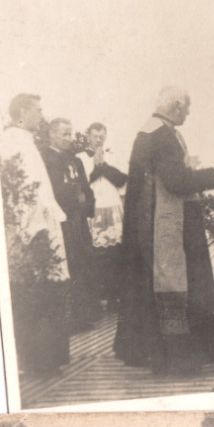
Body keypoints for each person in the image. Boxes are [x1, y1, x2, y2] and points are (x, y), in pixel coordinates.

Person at [114, 87, 214, 375]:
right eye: (187, 107)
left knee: (157, 285)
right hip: (165, 224)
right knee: (174, 282)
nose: (189, 112)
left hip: (151, 221)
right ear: (176, 105)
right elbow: (176, 181)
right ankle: (179, 359)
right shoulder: (162, 134)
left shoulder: (151, 130)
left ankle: (158, 355)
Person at [0, 93, 71, 374]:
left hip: (41, 225)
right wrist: (30, 230)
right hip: (33, 230)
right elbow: (22, 191)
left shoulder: (23, 141)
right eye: (37, 111)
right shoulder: (13, 142)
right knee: (38, 296)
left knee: (46, 294)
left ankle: (47, 359)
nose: (42, 116)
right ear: (22, 112)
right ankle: (40, 361)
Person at [40, 118, 101, 329]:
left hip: (79, 219)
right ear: (52, 134)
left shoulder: (75, 160)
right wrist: (75, 200)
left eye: (70, 134)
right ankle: (72, 319)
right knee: (70, 264)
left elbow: (86, 187)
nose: (68, 138)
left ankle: (85, 313)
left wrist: (86, 206)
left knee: (83, 263)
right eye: (64, 134)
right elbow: (55, 190)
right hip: (63, 219)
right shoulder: (45, 157)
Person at [77, 123, 128, 311]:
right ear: (88, 137)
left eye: (102, 136)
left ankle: (116, 297)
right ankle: (100, 298)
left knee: (116, 251)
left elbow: (122, 180)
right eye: (95, 136)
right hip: (95, 208)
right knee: (98, 254)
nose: (99, 139)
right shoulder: (80, 158)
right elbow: (83, 184)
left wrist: (104, 165)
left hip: (112, 205)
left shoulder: (112, 155)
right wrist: (97, 168)